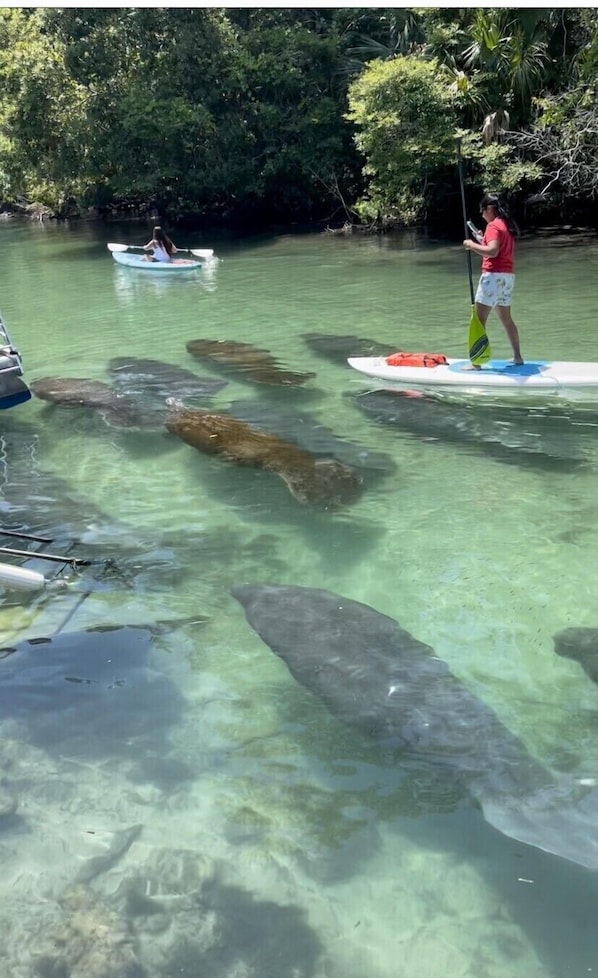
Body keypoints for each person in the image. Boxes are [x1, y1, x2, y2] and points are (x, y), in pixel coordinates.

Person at [463, 193, 523, 365]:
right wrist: (482, 241)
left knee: (479, 320)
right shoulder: (507, 225)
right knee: (506, 319)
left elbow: (493, 252)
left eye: (482, 211)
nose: (482, 215)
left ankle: (475, 364)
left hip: (492, 277)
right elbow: (498, 249)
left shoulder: (493, 226)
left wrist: (471, 245)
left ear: (489, 208)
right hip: (507, 277)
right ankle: (518, 357)